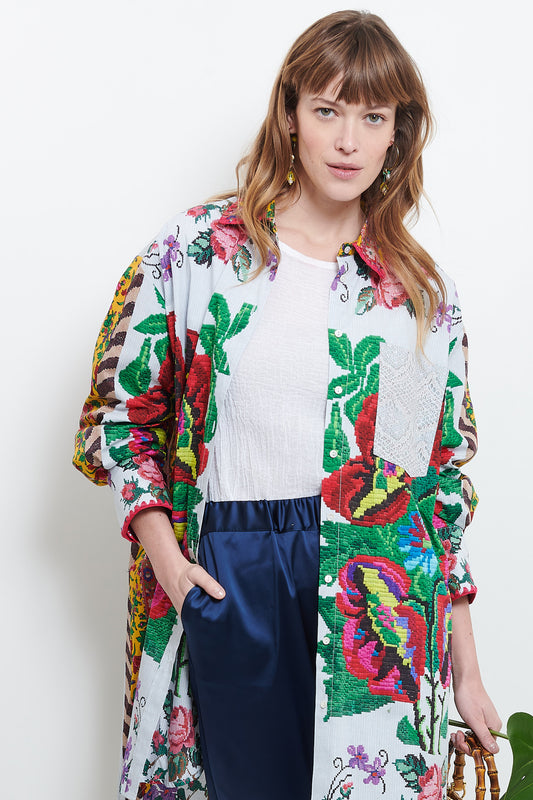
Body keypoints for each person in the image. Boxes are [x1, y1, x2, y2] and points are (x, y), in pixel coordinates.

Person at [74, 10, 501, 800]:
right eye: (327, 110)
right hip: (228, 565)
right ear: (291, 115)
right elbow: (122, 419)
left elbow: (422, 492)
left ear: (397, 134)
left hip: (369, 585)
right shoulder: (198, 252)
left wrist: (466, 673)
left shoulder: (411, 299)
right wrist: (171, 566)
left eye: (371, 117)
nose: (347, 141)